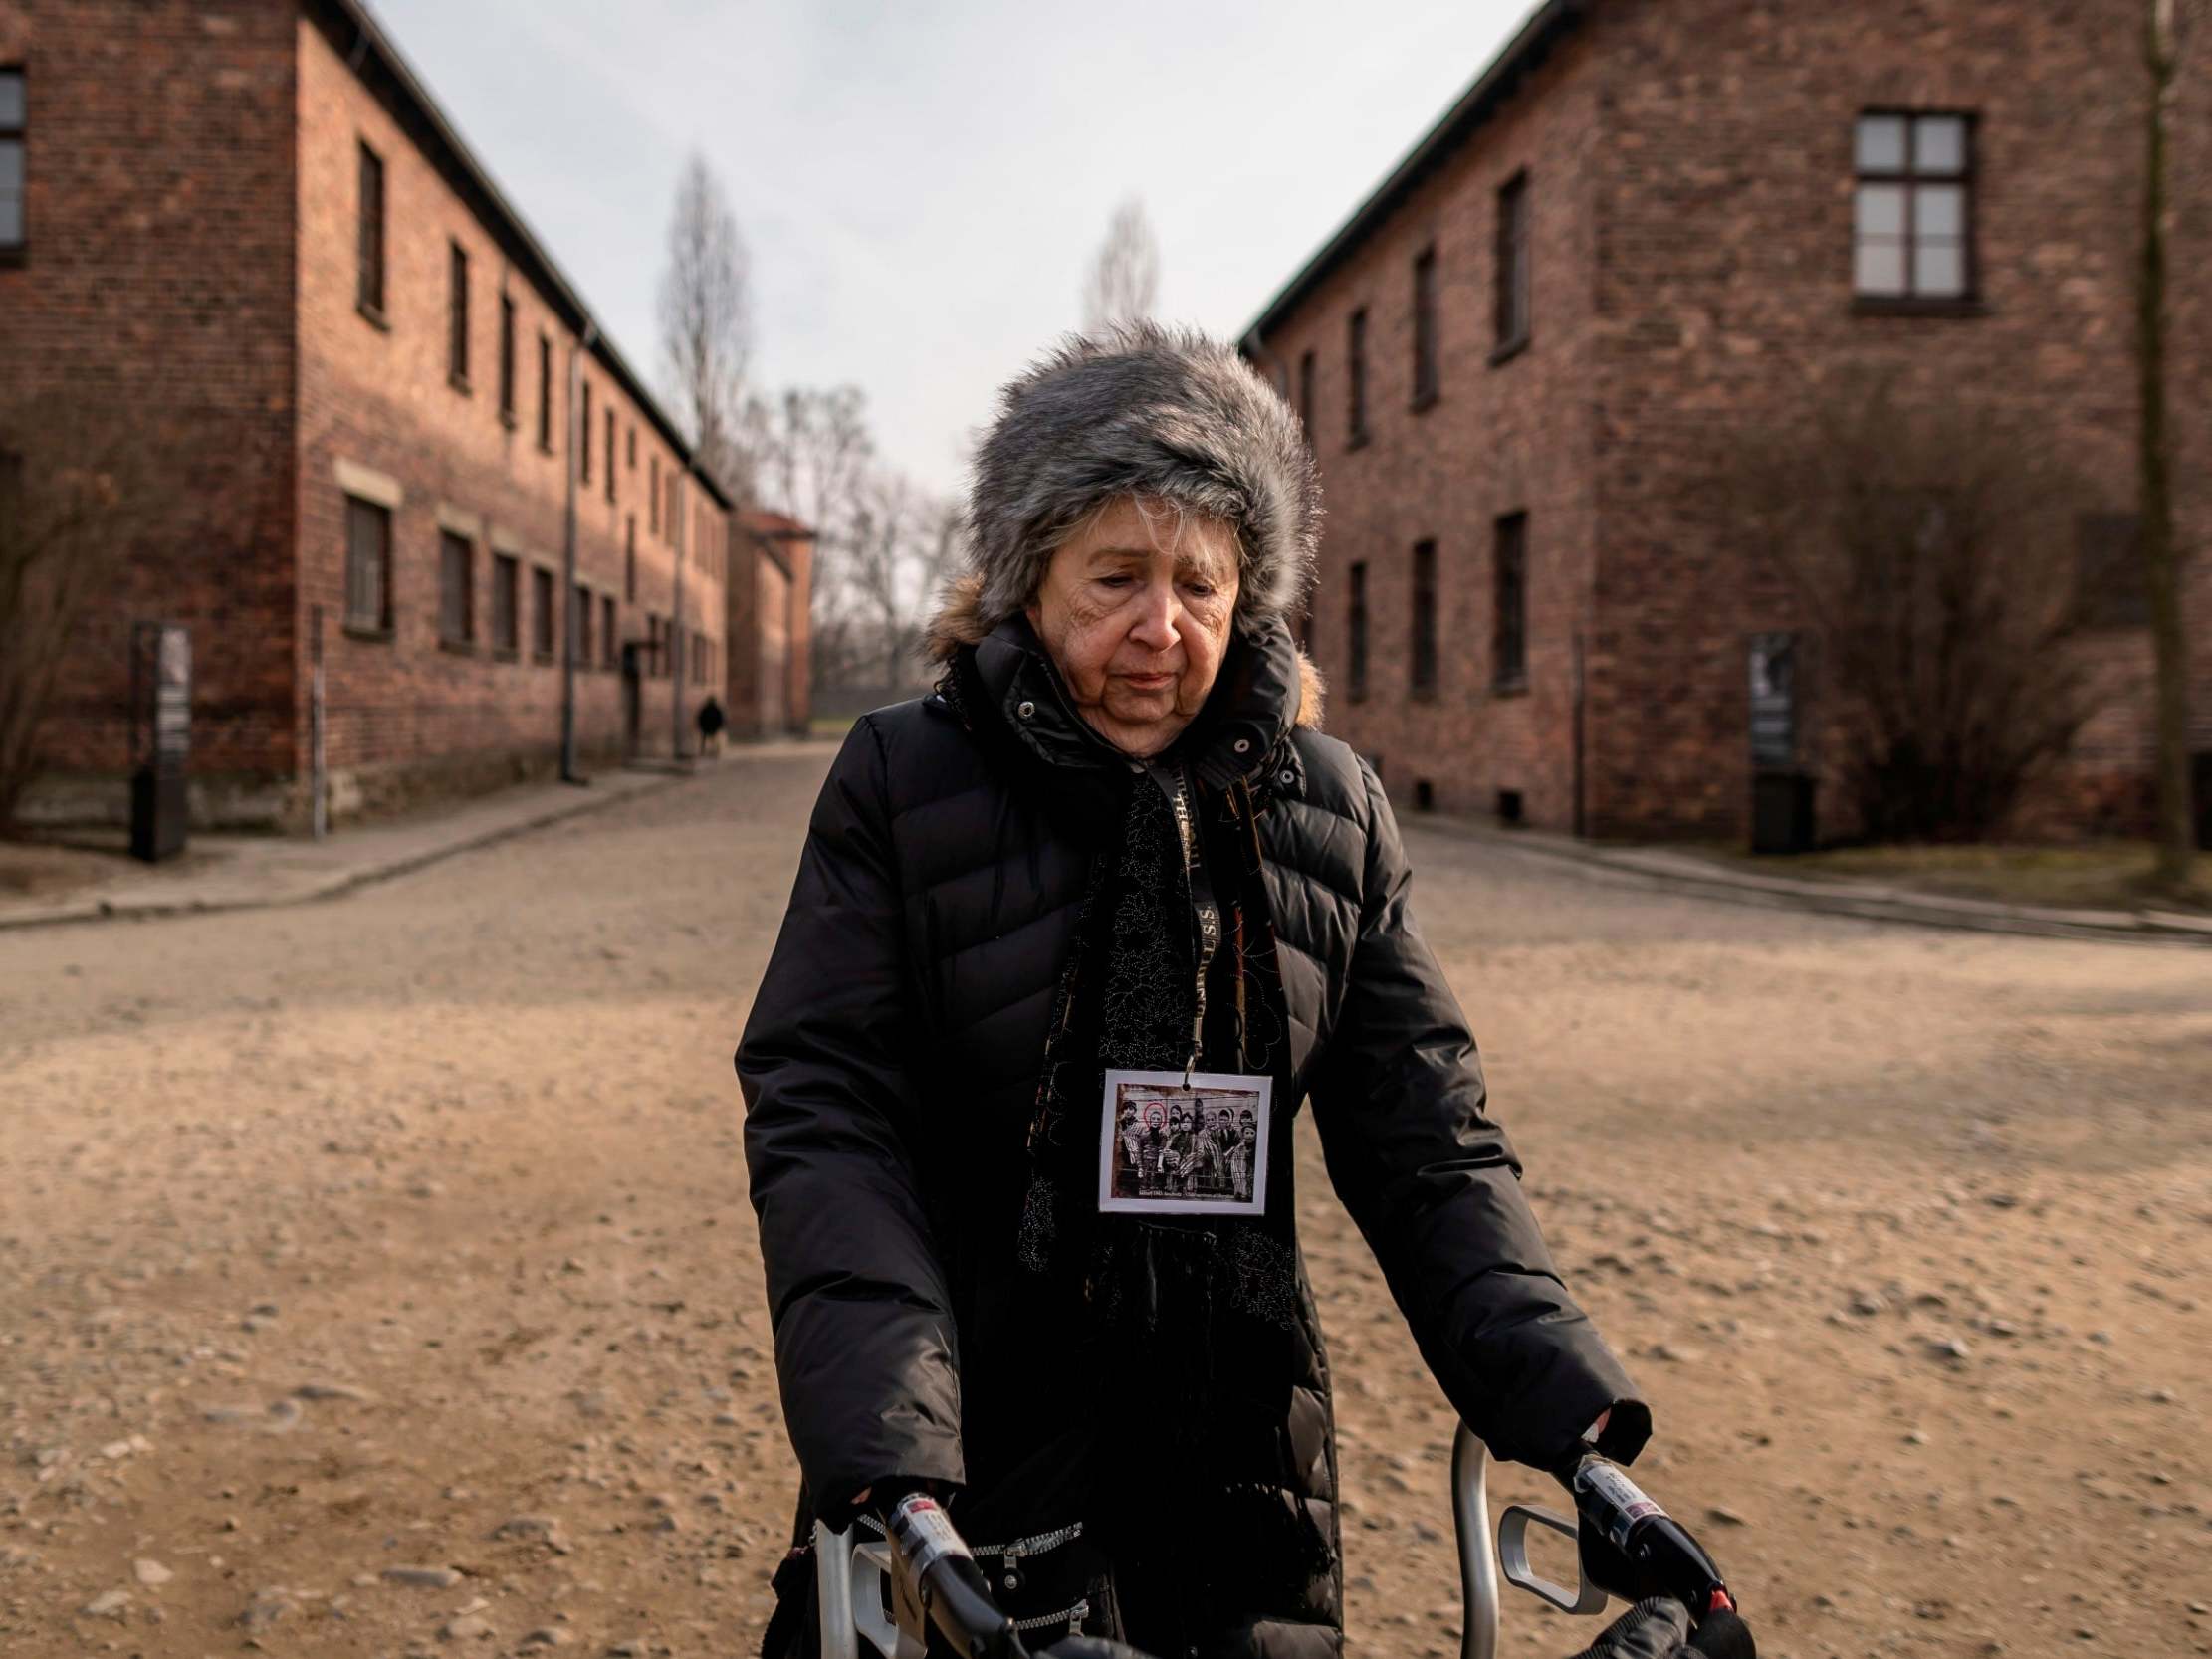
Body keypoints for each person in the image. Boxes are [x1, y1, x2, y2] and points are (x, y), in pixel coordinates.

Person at [739, 323, 1647, 1659]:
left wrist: (1570, 1419)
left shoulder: (1326, 807)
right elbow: (827, 1107)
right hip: (968, 1442)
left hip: (1237, 1446)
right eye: (1113, 575)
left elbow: (1427, 1140)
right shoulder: (902, 780)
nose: (1157, 629)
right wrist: (889, 1447)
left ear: (1249, 597)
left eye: (1199, 584)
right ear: (1027, 582)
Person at [696, 693, 727, 757]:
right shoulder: (713, 709)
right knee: (712, 740)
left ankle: (710, 752)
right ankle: (713, 752)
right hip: (710, 727)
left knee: (711, 740)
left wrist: (701, 726)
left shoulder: (709, 709)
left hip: (708, 728)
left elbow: (700, 718)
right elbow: (701, 718)